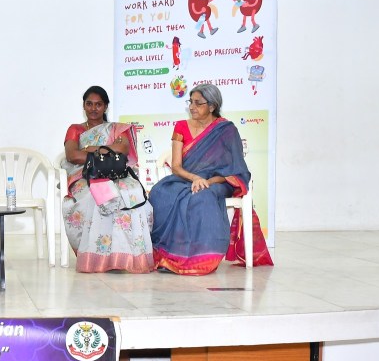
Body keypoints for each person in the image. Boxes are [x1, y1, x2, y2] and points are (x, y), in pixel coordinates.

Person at [149, 83, 271, 275]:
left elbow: (234, 169)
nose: (192, 107)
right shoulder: (181, 126)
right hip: (186, 178)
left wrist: (208, 182)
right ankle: (168, 255)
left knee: (202, 197)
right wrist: (196, 178)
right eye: (190, 102)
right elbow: (177, 167)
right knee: (160, 193)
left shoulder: (226, 130)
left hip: (218, 182)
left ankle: (201, 258)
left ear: (212, 106)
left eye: (198, 103)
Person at [60, 86, 154, 274]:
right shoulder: (75, 129)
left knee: (132, 193)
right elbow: (72, 156)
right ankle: (99, 258)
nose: (93, 109)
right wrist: (107, 149)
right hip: (85, 175)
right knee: (99, 195)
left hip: (116, 173)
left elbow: (123, 150)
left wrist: (89, 149)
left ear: (105, 107)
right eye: (89, 104)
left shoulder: (117, 128)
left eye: (98, 104)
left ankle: (126, 256)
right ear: (84, 106)